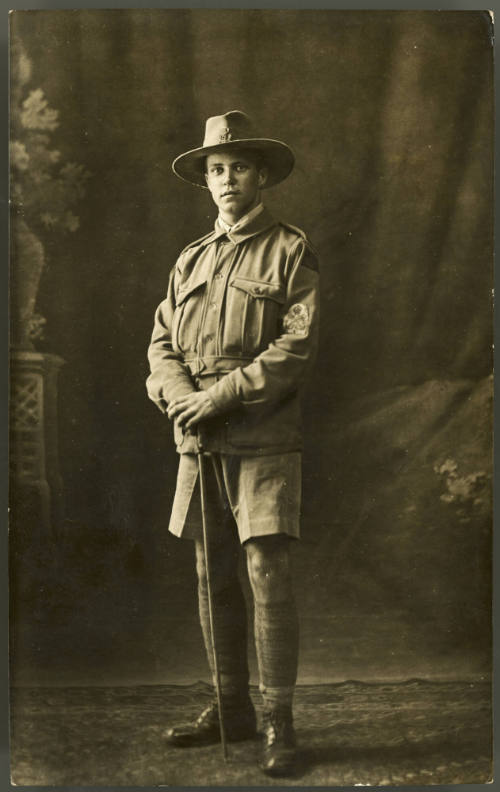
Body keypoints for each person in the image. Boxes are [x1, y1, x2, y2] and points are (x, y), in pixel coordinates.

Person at [146, 110, 319, 776]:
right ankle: (230, 707)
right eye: (215, 169)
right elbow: (161, 343)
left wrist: (216, 397)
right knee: (209, 572)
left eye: (237, 166)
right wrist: (177, 395)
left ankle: (279, 721)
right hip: (198, 442)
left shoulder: (290, 250)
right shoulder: (189, 258)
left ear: (262, 175)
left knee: (265, 571)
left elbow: (296, 349)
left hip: (263, 437)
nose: (225, 179)